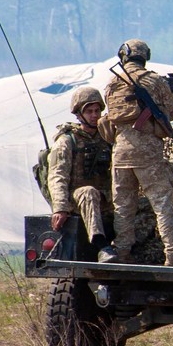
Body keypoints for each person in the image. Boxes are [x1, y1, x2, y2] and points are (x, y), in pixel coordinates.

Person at [97, 39, 173, 266]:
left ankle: (122, 251)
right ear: (145, 56)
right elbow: (172, 112)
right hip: (147, 152)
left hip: (120, 152)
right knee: (162, 204)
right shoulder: (153, 80)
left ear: (123, 56)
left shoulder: (112, 84)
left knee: (123, 207)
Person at [46, 86, 113, 255]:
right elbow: (57, 176)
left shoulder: (108, 138)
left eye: (97, 110)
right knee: (88, 192)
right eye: (89, 111)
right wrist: (60, 208)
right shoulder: (67, 141)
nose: (94, 115)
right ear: (78, 114)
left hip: (104, 198)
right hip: (76, 200)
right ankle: (101, 245)